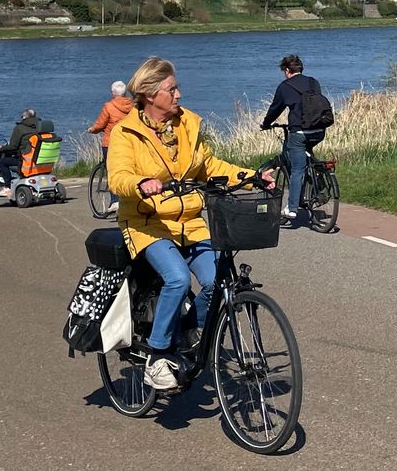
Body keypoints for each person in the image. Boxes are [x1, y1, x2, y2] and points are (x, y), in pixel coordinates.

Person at [108, 56, 273, 390]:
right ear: (151, 95)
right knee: (178, 279)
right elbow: (118, 176)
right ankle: (157, 355)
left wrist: (253, 176)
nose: (179, 94)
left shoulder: (187, 125)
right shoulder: (127, 133)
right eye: (172, 89)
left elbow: (209, 165)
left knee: (218, 281)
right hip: (146, 222)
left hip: (189, 222)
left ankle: (185, 328)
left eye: (177, 87)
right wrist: (141, 183)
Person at [260, 55, 326, 220]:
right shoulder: (313, 82)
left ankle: (292, 208)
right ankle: (316, 176)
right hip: (319, 130)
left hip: (299, 132)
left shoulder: (285, 86)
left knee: (297, 169)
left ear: (287, 71)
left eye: (284, 71)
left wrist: (266, 124)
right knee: (305, 155)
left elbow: (276, 108)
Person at [87, 80, 133, 213]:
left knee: (112, 171)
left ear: (113, 93)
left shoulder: (109, 106)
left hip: (111, 143)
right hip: (128, 142)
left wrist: (93, 130)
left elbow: (101, 124)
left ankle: (115, 201)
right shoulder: (132, 105)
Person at [0, 109, 41, 196]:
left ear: (24, 117)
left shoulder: (20, 128)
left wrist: (1, 148)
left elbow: (13, 146)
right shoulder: (40, 127)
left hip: (27, 161)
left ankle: (7, 187)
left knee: (3, 162)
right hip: (40, 161)